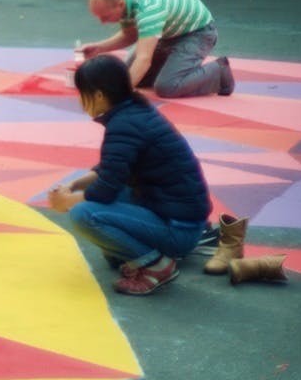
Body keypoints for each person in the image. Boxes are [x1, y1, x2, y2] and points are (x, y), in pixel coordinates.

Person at [48, 56, 212, 295]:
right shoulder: (134, 112)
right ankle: (141, 253)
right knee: (100, 204)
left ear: (98, 96)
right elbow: (113, 169)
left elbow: (106, 189)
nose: (80, 101)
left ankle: (156, 266)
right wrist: (74, 185)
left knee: (83, 214)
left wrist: (68, 201)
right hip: (179, 215)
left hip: (180, 228)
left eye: (81, 94)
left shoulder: (124, 125)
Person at [80, 0, 233, 98]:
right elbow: (130, 34)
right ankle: (171, 66)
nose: (102, 22)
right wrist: (99, 48)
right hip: (167, 33)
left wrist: (121, 97)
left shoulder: (148, 9)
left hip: (197, 33)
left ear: (120, 4)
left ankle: (219, 72)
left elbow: (144, 58)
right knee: (128, 76)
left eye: (105, 16)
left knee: (167, 87)